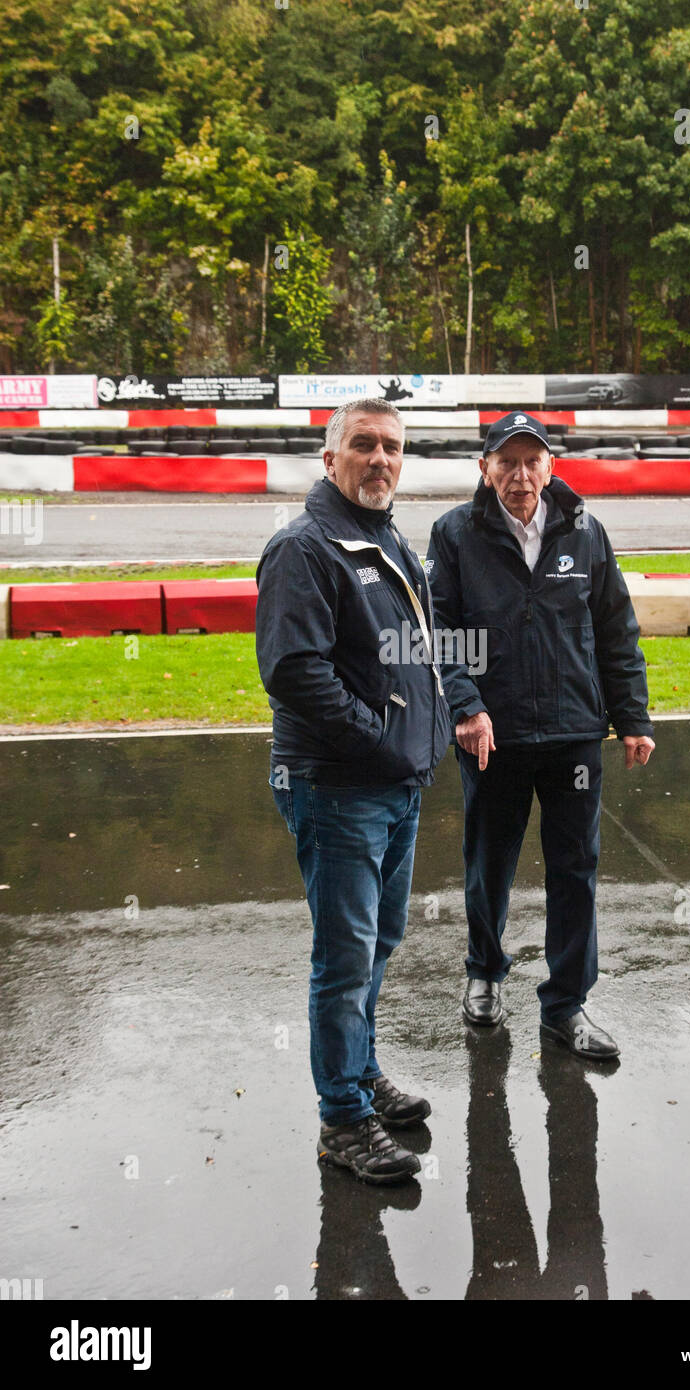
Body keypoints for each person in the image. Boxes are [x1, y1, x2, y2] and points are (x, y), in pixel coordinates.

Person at [256, 397, 451, 1183]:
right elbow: (295, 672)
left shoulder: (385, 535)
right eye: (363, 445)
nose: (380, 459)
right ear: (329, 456)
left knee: (380, 941)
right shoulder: (304, 547)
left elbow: (416, 654)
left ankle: (359, 1070)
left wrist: (427, 737)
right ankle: (342, 1118)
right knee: (343, 961)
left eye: (392, 448)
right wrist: (378, 740)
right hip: (339, 787)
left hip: (394, 783)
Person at [426, 410, 655, 1059]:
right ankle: (484, 973)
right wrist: (466, 706)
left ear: (551, 466)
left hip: (574, 733)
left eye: (533, 461)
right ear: (485, 468)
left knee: (575, 868)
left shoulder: (586, 532)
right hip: (489, 734)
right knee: (489, 860)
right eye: (508, 462)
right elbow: (439, 631)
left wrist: (632, 716)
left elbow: (616, 631)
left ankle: (566, 1006)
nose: (521, 475)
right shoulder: (454, 535)